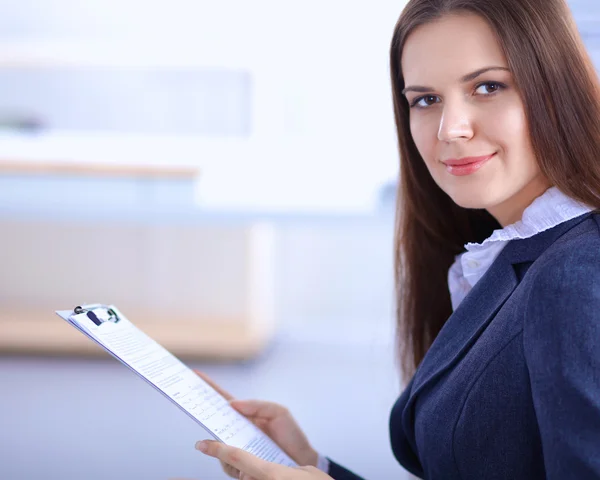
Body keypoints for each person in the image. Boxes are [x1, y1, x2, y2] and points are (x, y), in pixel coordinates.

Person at [192, 0, 600, 478]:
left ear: (557, 88)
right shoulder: (509, 253)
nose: (451, 130)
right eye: (426, 100)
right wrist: (309, 463)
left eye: (488, 87)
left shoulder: (575, 275)